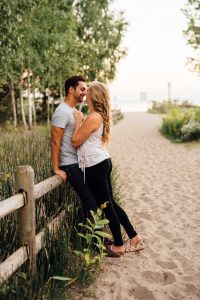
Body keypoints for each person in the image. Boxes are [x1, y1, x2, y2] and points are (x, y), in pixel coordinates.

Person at [71, 81, 144, 257]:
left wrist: (78, 120)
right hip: (101, 162)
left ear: (93, 96)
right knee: (110, 203)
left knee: (106, 205)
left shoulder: (92, 117)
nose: (84, 93)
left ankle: (119, 245)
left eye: (87, 91)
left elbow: (75, 141)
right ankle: (134, 237)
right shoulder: (97, 116)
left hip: (96, 165)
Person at [51, 75, 97, 216]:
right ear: (71, 89)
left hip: (78, 162)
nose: (85, 92)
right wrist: (56, 168)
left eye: (86, 89)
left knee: (93, 198)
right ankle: (93, 238)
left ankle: (95, 237)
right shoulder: (62, 111)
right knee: (91, 201)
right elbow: (55, 141)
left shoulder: (74, 111)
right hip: (69, 164)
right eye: (82, 89)